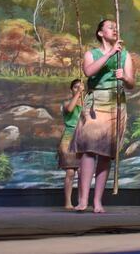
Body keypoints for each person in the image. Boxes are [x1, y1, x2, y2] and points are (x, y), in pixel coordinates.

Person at [72, 19, 134, 213]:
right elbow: (89, 71)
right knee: (89, 150)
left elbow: (131, 83)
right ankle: (83, 200)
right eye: (110, 27)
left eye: (116, 26)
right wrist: (109, 54)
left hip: (116, 101)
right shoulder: (92, 53)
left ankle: (98, 201)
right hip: (96, 102)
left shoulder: (125, 55)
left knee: (106, 153)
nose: (115, 29)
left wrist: (123, 76)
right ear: (100, 33)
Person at [59, 78, 84, 209]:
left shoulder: (86, 103)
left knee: (81, 172)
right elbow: (69, 109)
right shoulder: (67, 103)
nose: (78, 89)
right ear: (71, 89)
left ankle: (81, 201)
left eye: (80, 87)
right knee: (70, 171)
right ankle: (68, 202)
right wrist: (78, 94)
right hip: (68, 138)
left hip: (82, 138)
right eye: (75, 87)